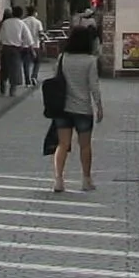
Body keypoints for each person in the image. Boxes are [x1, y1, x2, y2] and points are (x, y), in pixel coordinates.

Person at [50, 22, 103, 193]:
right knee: (85, 145)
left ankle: (58, 179)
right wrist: (99, 106)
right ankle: (86, 180)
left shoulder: (62, 58)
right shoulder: (90, 61)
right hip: (83, 109)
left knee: (63, 144)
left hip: (63, 108)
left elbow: (54, 79)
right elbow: (93, 85)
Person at [0, 3, 22, 95]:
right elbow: (26, 37)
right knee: (14, 69)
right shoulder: (19, 23)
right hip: (15, 49)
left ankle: (3, 87)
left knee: (4, 68)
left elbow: (0, 37)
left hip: (5, 48)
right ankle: (12, 89)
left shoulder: (3, 23)